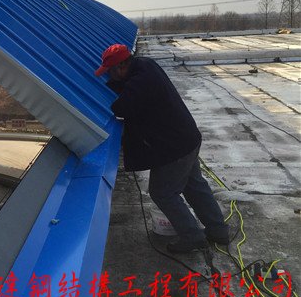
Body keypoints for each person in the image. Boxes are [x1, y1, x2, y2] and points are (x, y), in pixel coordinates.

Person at [94, 44, 229, 253]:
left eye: (110, 72)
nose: (108, 76)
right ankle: (218, 230)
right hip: (187, 138)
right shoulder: (146, 65)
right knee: (194, 185)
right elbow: (131, 89)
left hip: (174, 147)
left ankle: (192, 236)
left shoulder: (140, 82)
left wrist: (106, 93)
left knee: (162, 192)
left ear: (121, 66)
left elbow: (122, 107)